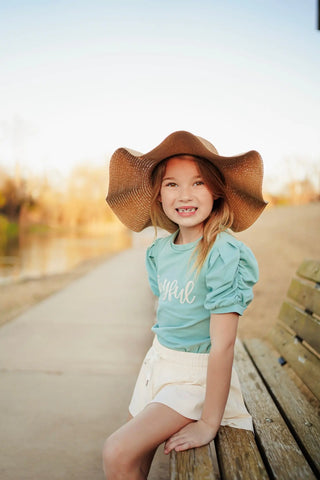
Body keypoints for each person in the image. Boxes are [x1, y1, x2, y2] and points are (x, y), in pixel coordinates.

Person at [103, 130, 267, 479]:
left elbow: (222, 345)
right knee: (133, 459)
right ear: (159, 196)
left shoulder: (222, 253)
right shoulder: (159, 251)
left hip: (195, 377)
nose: (185, 195)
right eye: (172, 185)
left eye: (197, 183)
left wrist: (209, 422)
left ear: (216, 192)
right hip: (157, 364)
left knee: (116, 452)